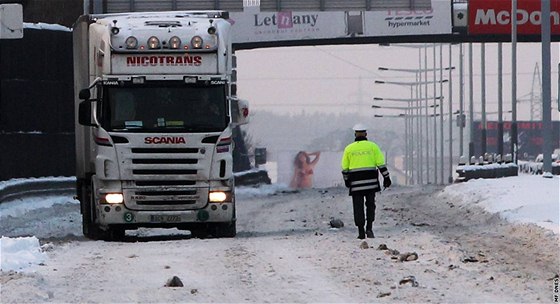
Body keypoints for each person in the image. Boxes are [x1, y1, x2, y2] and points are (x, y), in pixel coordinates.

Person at [341, 124, 392, 239]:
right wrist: (386, 177)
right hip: (371, 182)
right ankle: (369, 228)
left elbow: (345, 167)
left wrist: (346, 180)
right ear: (366, 134)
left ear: (355, 134)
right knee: (370, 205)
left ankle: (360, 231)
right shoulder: (373, 147)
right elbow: (381, 164)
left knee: (357, 207)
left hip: (356, 183)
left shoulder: (349, 149)